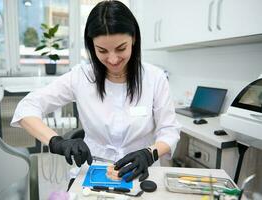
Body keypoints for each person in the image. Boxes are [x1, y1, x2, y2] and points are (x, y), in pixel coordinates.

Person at [11, 0, 180, 182]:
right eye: (102, 51)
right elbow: (27, 107)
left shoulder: (155, 78)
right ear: (92, 46)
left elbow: (169, 130)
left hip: (140, 171)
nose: (113, 59)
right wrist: (56, 142)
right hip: (94, 171)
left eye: (121, 48)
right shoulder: (81, 76)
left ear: (133, 38)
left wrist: (149, 153)